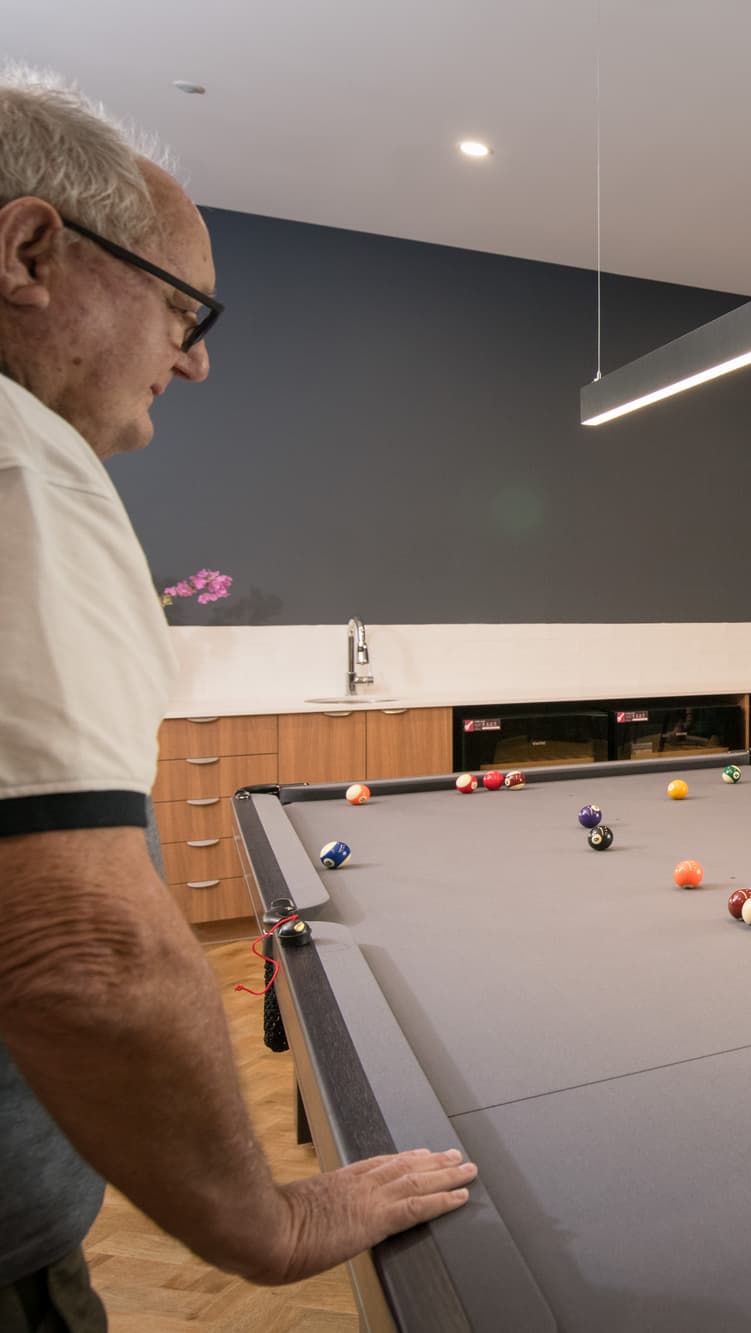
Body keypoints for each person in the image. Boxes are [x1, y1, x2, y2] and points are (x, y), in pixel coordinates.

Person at [0, 67, 475, 1329]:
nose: (195, 363)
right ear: (31, 251)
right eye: (181, 308)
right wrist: (271, 1220)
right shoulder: (20, 465)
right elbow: (75, 952)